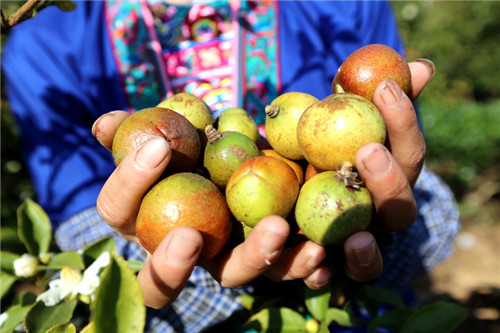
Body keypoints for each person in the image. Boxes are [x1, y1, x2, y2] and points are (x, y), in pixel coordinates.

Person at [2, 1, 460, 332]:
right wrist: (155, 262)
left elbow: (393, 164)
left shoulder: (341, 7)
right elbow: (80, 220)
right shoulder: (45, 40)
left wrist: (376, 222)